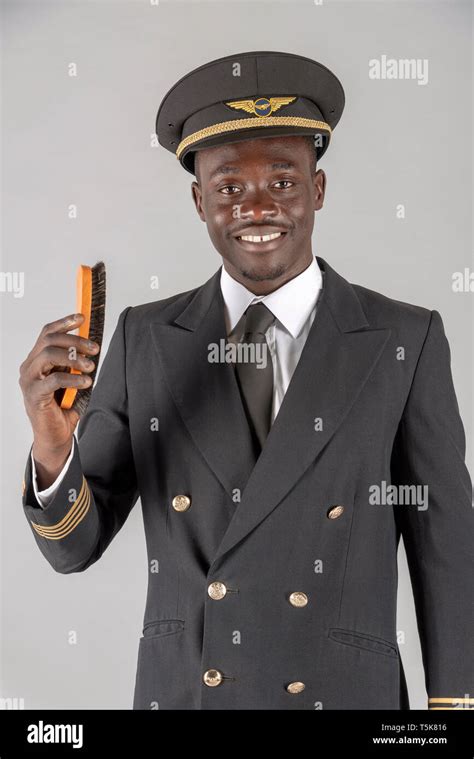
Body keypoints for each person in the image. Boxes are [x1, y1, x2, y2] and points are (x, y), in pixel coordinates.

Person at [18, 51, 473, 710]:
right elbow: (75, 548)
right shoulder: (145, 339)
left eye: (283, 182)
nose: (258, 208)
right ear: (201, 201)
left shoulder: (403, 339)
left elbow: (448, 548)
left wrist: (452, 712)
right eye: (230, 188)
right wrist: (54, 448)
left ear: (318, 189)